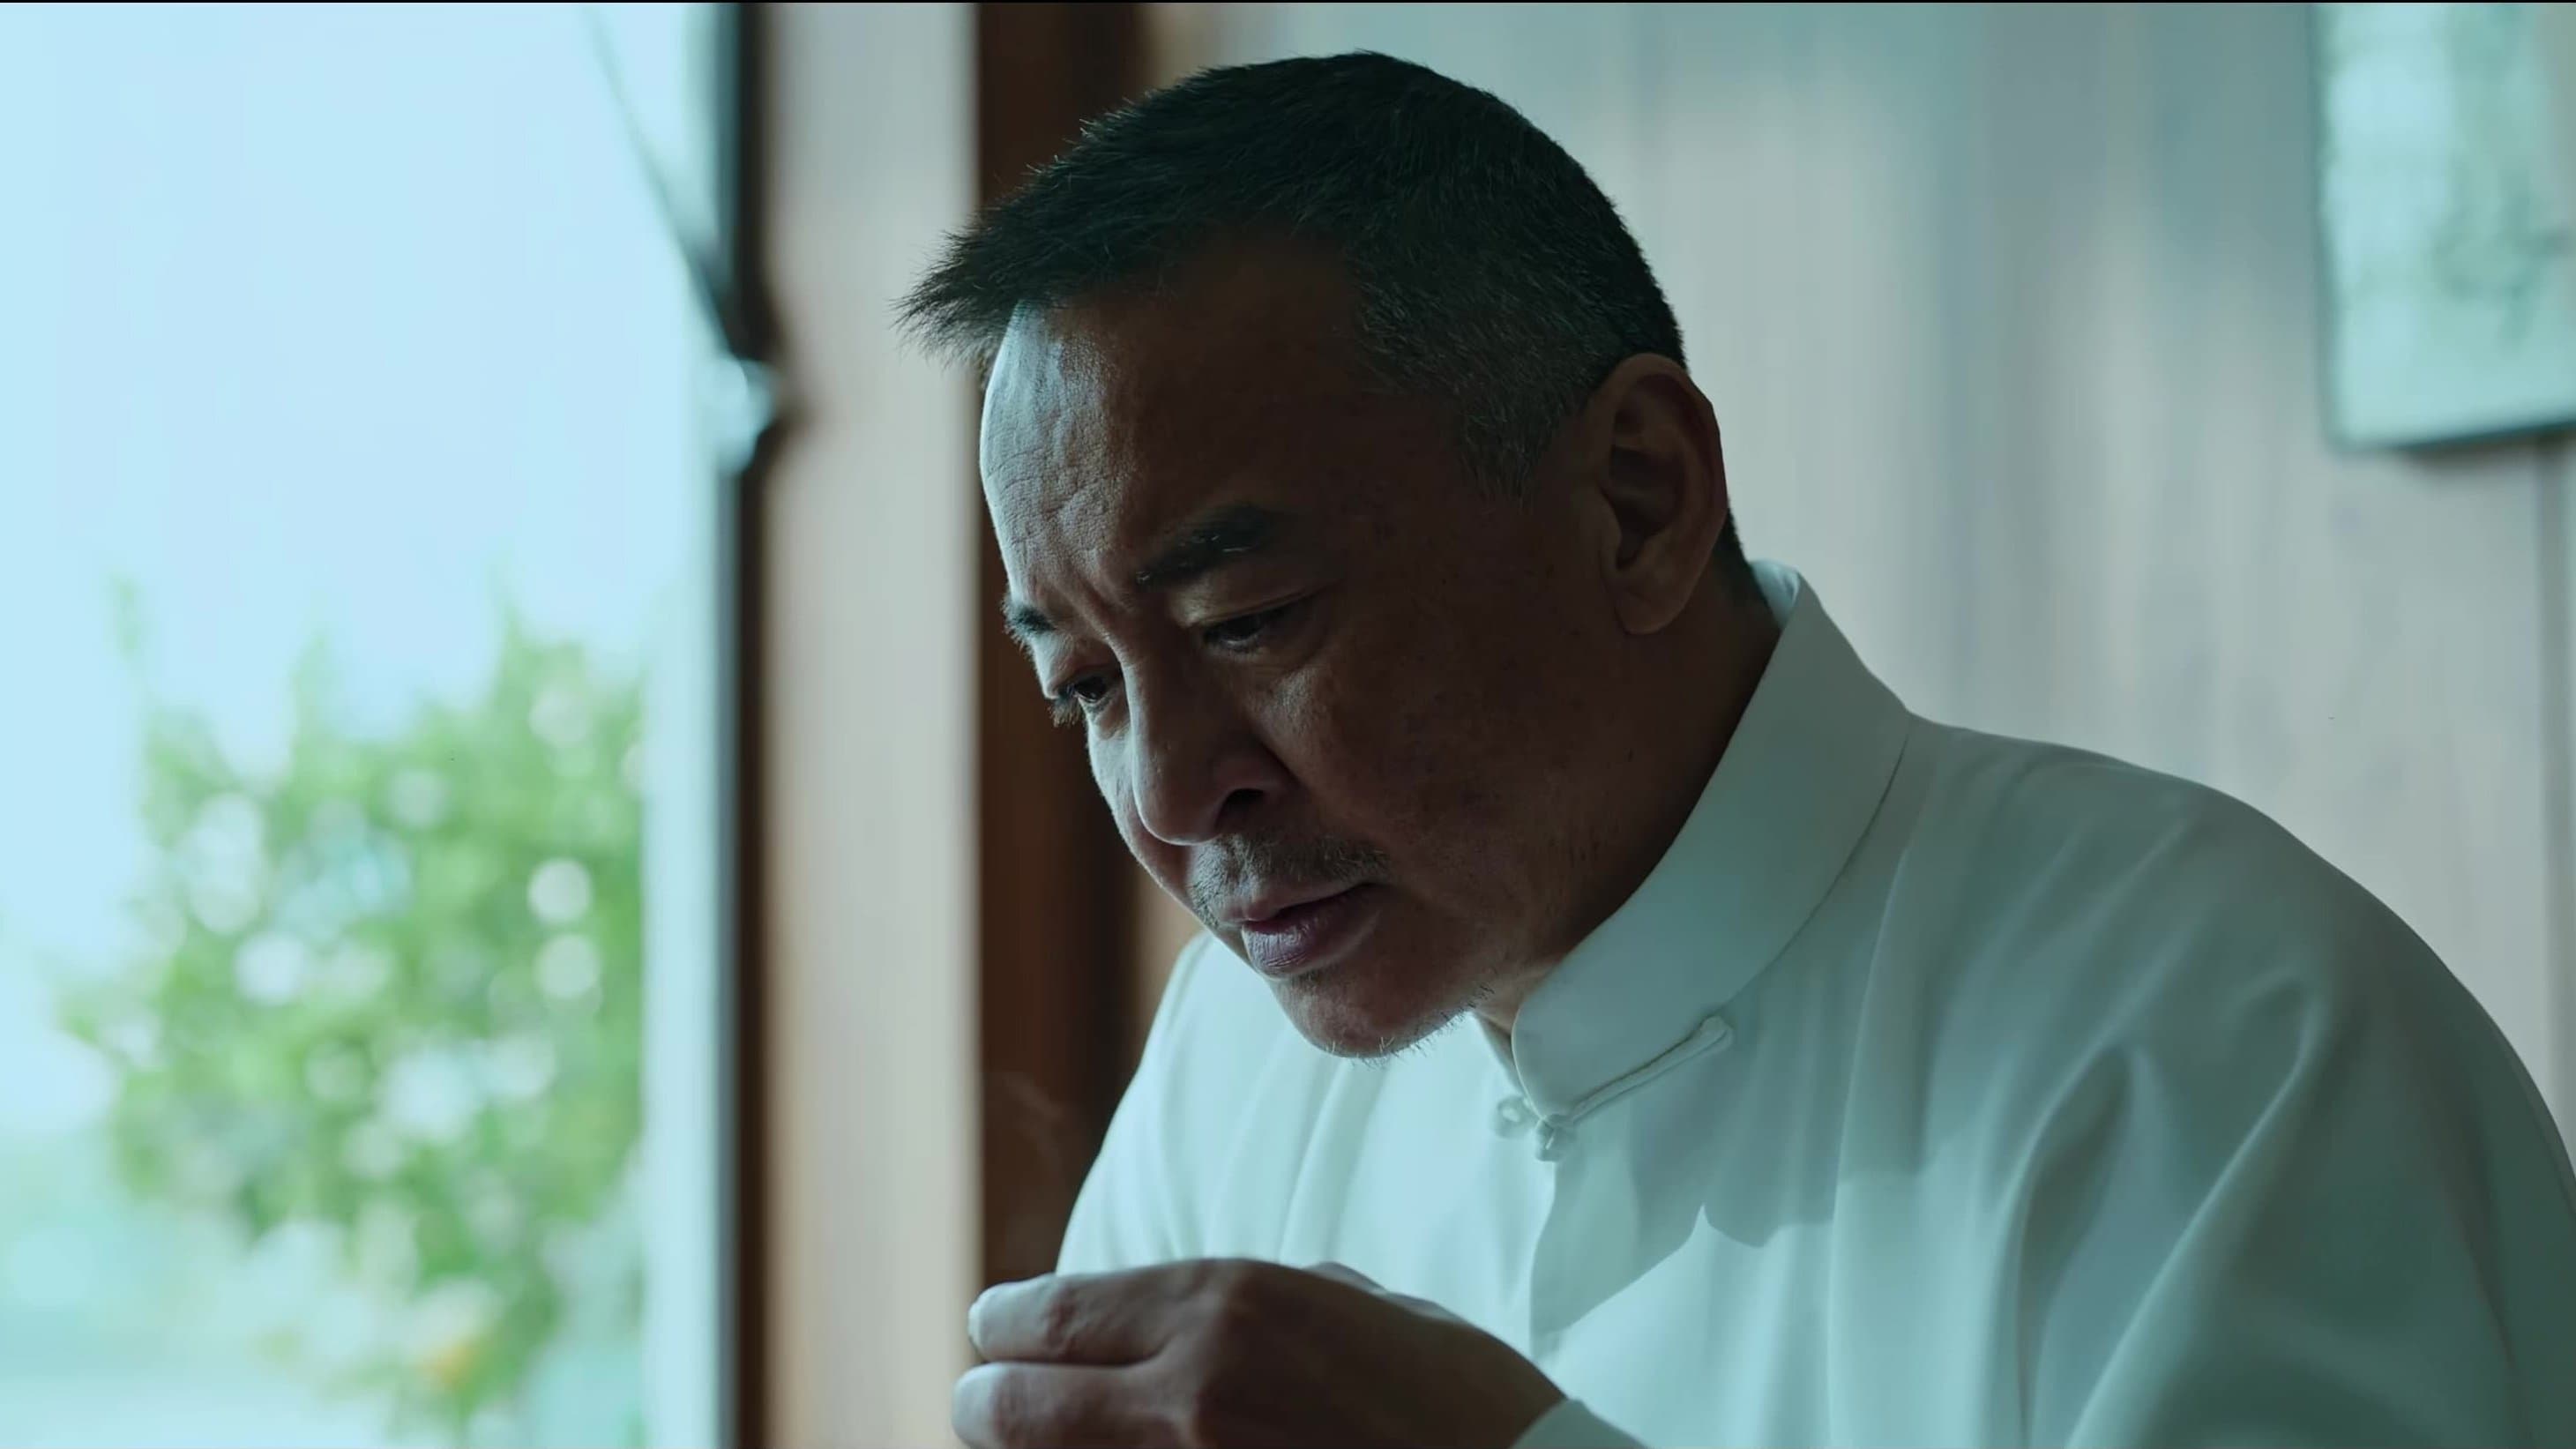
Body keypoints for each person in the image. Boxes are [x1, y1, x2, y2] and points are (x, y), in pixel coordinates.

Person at [902, 50, 2576, 1449]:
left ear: (1636, 498)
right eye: (1085, 688)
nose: (1172, 796)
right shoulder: (1237, 1063)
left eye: (1247, 620)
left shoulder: (2213, 1040)